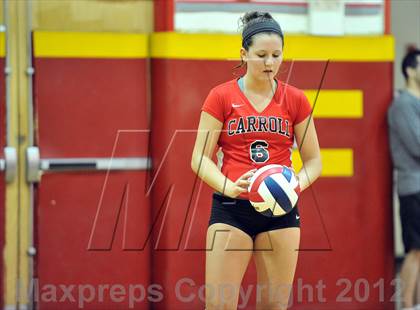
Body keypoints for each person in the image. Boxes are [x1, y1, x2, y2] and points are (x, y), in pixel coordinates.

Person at [191, 12, 322, 309]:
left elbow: (314, 161)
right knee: (219, 305)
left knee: (274, 307)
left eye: (276, 55)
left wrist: (293, 184)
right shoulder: (220, 96)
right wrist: (229, 186)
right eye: (261, 55)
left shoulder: (296, 99)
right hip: (231, 209)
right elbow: (199, 158)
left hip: (281, 211)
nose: (270, 63)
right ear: (244, 54)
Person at [388, 49, 420, 310]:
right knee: (415, 250)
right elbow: (418, 145)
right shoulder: (402, 105)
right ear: (410, 70)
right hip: (413, 188)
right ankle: (407, 306)